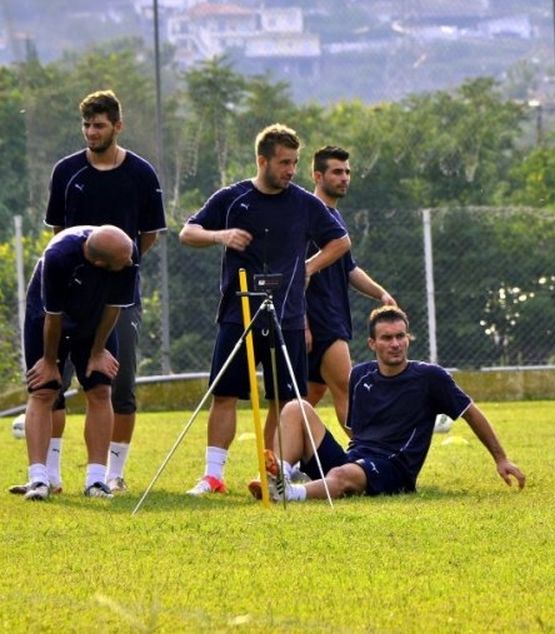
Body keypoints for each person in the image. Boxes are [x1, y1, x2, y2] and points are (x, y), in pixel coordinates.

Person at [179, 124, 351, 496]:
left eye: (295, 162)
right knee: (225, 394)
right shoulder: (233, 198)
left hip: (287, 316)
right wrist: (219, 236)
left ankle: (274, 470)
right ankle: (213, 476)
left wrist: (308, 267)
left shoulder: (306, 203)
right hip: (237, 314)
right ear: (263, 160)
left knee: (286, 399)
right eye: (284, 162)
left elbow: (340, 241)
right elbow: (187, 232)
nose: (291, 170)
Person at [248, 306, 525, 501]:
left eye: (400, 336)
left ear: (408, 338)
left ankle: (289, 495)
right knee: (297, 408)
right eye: (387, 338)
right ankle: (279, 478)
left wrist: (501, 459)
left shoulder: (430, 377)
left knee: (343, 473)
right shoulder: (359, 375)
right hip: (355, 461)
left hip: (395, 470)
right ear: (372, 343)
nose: (395, 344)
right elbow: (355, 431)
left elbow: (471, 413)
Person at [33, 90, 166, 494]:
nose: (92, 132)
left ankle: (112, 474)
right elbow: (59, 234)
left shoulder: (141, 174)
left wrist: (114, 267)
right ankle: (49, 475)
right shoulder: (66, 172)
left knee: (114, 382)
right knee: (51, 380)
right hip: (68, 292)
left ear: (117, 126)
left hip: (119, 292)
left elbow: (148, 236)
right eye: (87, 125)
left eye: (100, 125)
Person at [13, 225, 137, 501]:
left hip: (95, 319)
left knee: (100, 389)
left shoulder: (126, 252)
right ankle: (38, 479)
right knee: (44, 389)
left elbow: (114, 307)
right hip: (46, 317)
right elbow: (53, 317)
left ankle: (96, 481)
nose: (130, 262)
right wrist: (48, 360)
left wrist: (97, 351)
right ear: (100, 263)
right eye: (124, 261)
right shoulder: (58, 257)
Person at [305, 146, 395, 434]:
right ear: (317, 176)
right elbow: (296, 275)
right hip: (321, 319)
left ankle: (280, 463)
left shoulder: (334, 217)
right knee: (346, 387)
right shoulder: (308, 218)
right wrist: (302, 321)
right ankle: (368, 456)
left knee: (308, 397)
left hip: (332, 317)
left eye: (347, 172)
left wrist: (381, 294)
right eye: (337, 172)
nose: (344, 178)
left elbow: (349, 270)